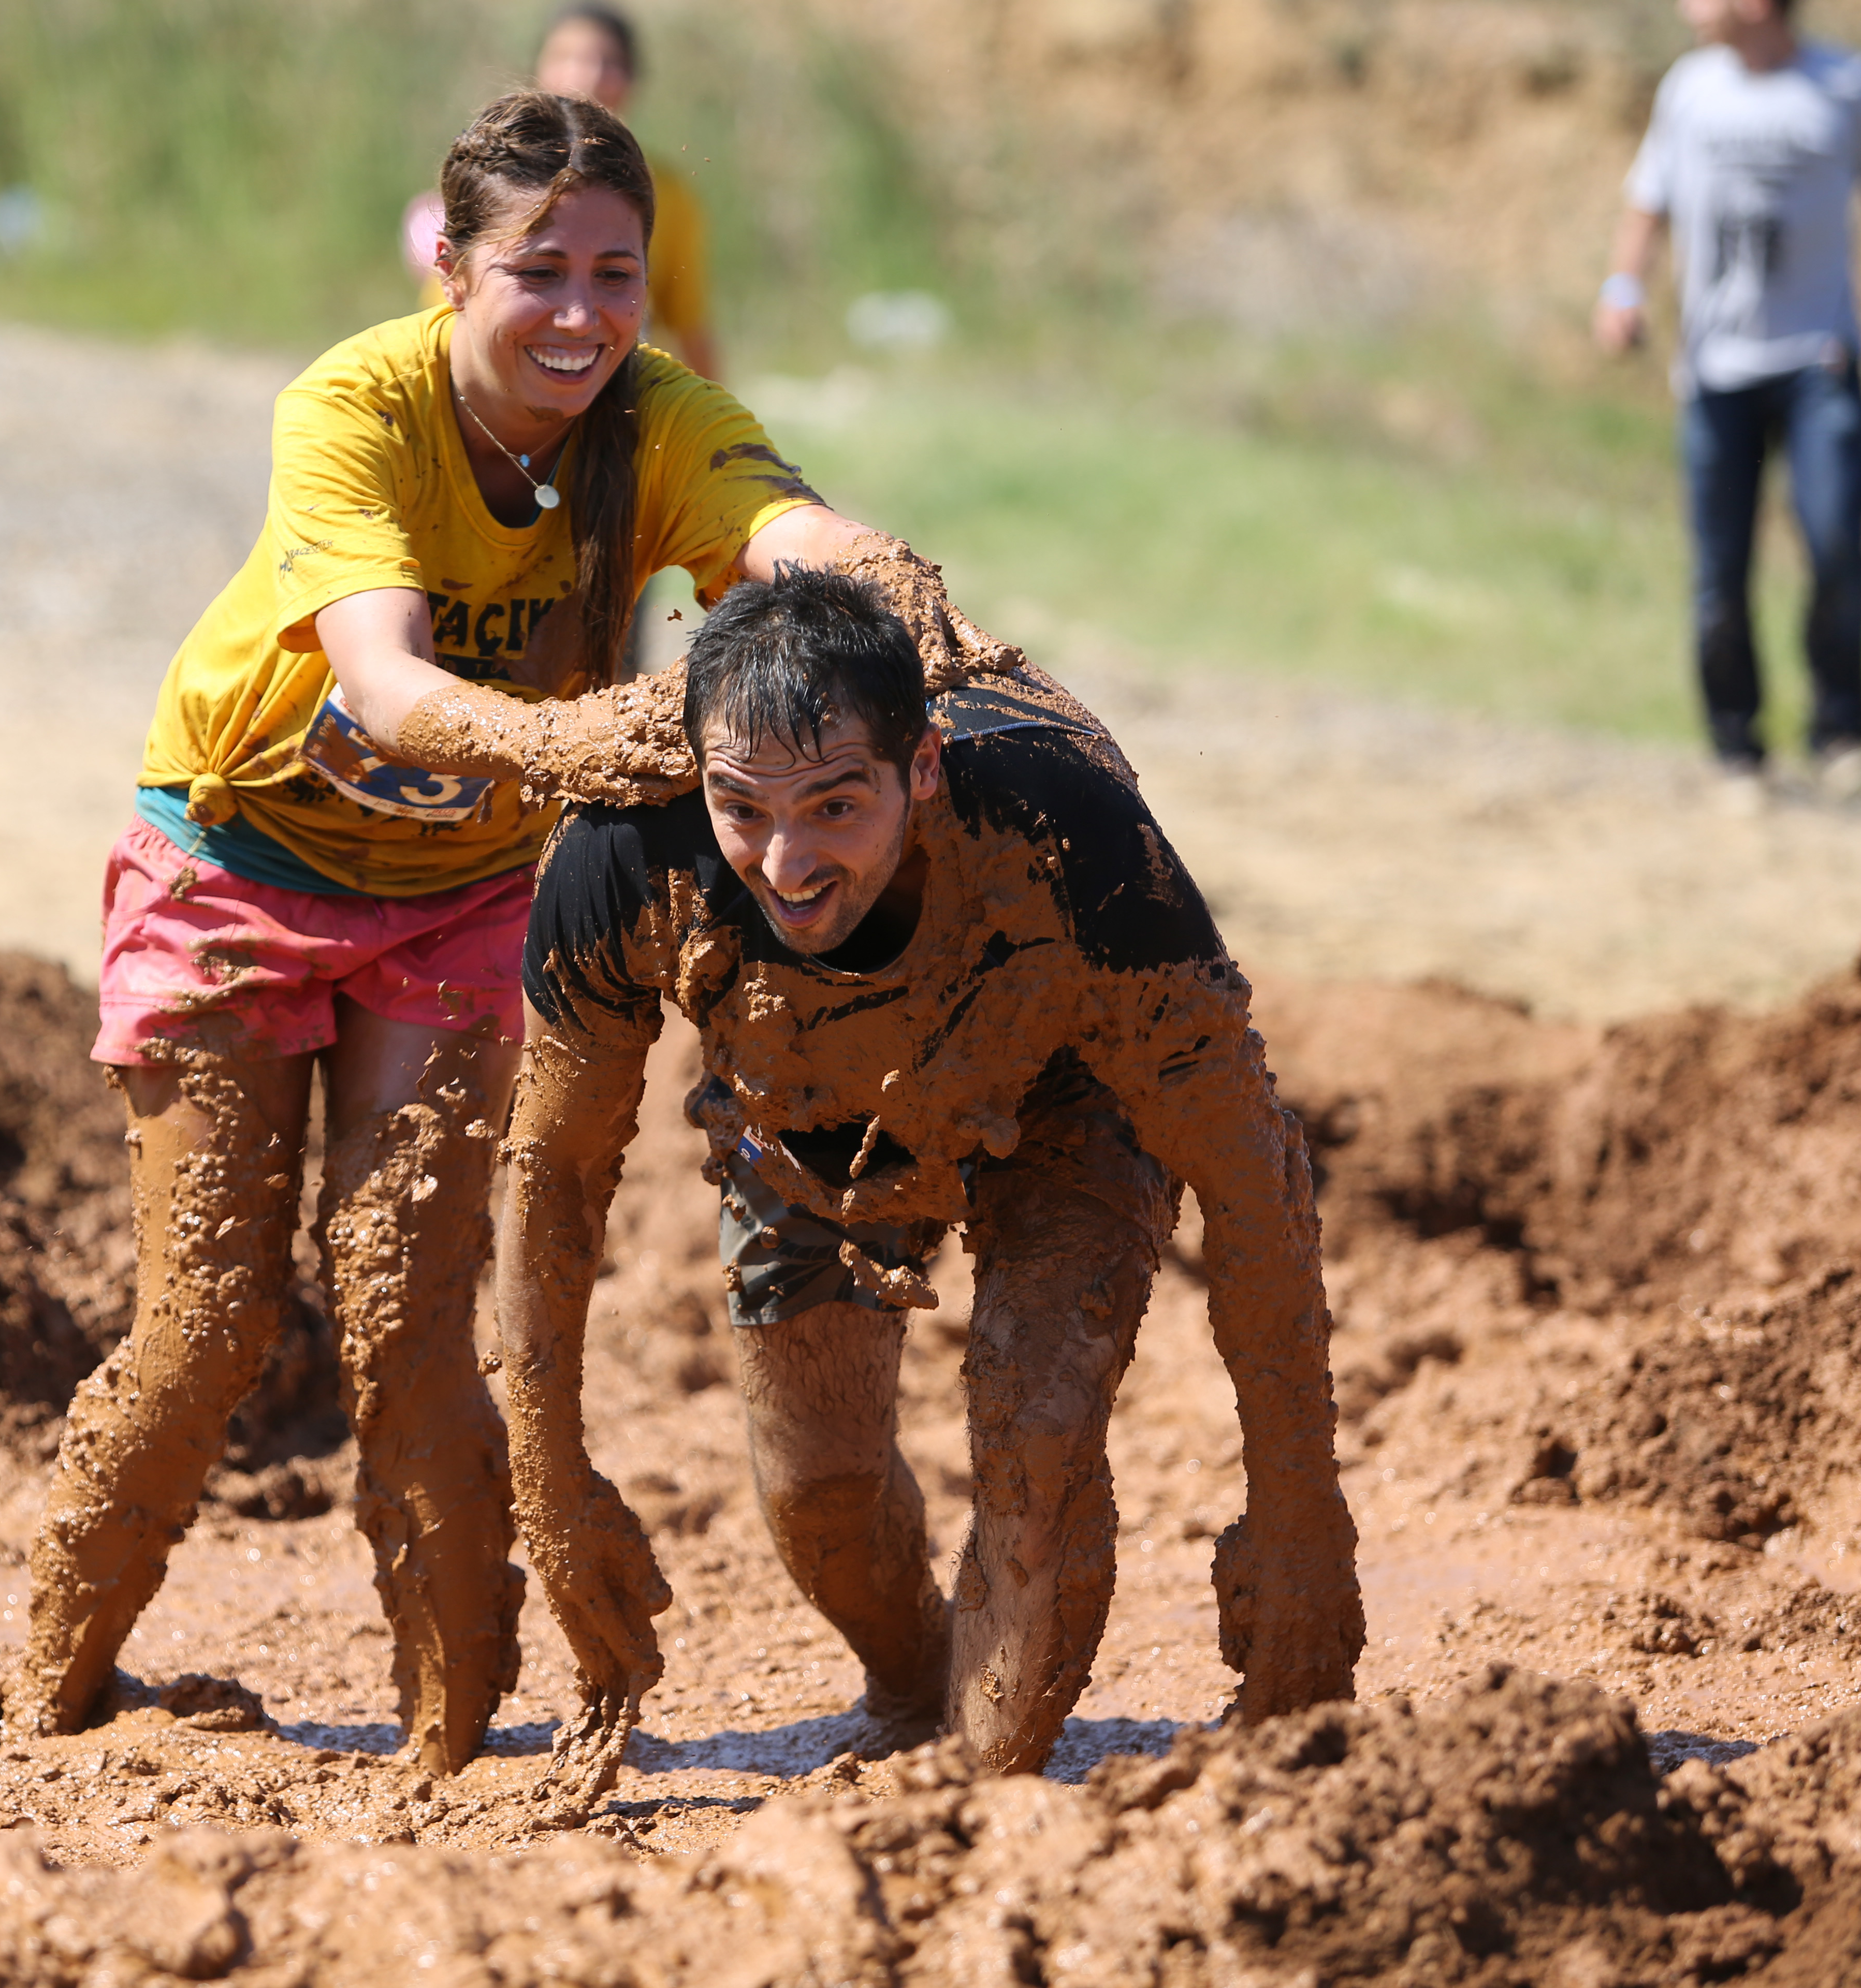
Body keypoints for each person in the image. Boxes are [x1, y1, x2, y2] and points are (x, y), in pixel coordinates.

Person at [12, 89, 999, 1774]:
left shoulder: (658, 416)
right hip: (232, 875)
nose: (583, 315)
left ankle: (447, 1743)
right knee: (213, 1325)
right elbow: (385, 680)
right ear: (451, 268)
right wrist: (557, 742)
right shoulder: (358, 406)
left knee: (412, 1324)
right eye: (539, 272)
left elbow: (782, 532)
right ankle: (41, 1694)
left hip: (456, 905)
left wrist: (889, 580)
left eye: (616, 275)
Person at [494, 566, 1364, 1806]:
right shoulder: (622, 860)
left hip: (1063, 1082)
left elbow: (1246, 1173)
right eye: (741, 810)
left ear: (921, 772)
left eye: (834, 806)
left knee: (1040, 1432)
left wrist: (1296, 1514)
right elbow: (551, 1180)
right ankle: (916, 1690)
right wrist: (549, 1486)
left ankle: (968, 1792)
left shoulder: (1075, 842)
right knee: (820, 1496)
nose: (785, 863)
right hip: (794, 1099)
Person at [1596, 0, 1861, 806]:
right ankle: (1736, 751)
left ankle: (1841, 738)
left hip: (1820, 360)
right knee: (1719, 571)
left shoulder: (1848, 87)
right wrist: (1622, 286)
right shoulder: (1688, 89)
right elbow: (1650, 198)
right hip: (1716, 369)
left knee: (1837, 549)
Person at [402, 4, 718, 380]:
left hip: (614, 399)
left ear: (634, 79)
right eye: (568, 57)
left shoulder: (667, 191)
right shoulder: (499, 181)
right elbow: (442, 324)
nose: (590, 75)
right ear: (538, 71)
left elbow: (690, 324)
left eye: (614, 275)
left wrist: (713, 421)